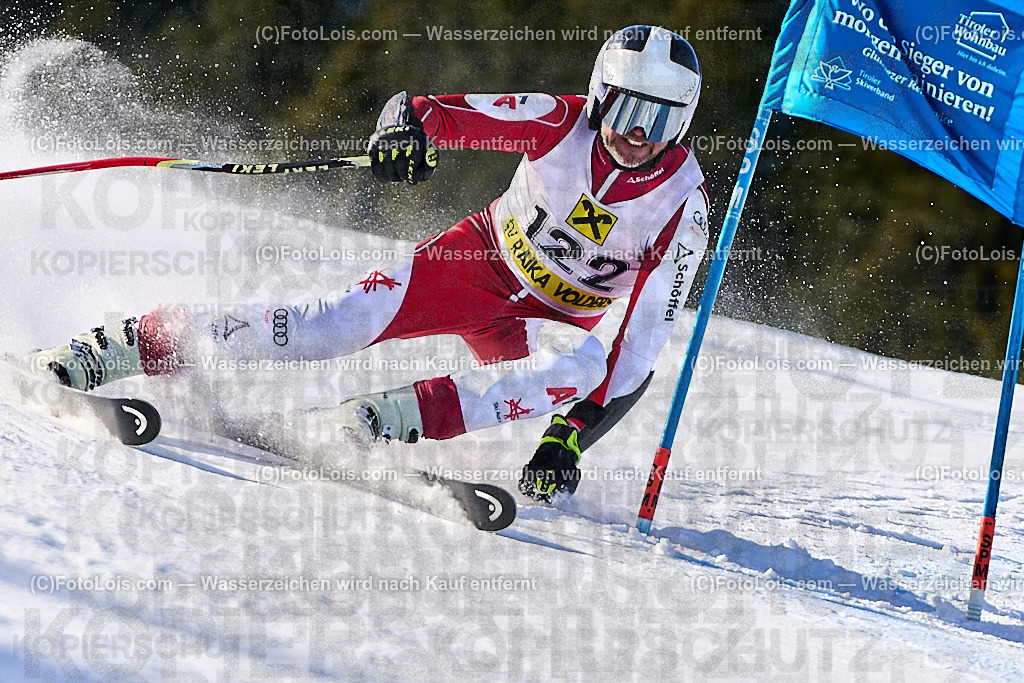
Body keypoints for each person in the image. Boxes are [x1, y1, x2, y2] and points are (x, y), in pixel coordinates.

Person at [27, 25, 709, 503]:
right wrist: (402, 135)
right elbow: (425, 111)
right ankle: (121, 344)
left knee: (581, 363)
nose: (638, 132)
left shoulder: (682, 209)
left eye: (661, 119)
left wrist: (570, 437)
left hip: (548, 322)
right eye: (627, 107)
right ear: (599, 95)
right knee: (333, 322)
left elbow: (638, 348)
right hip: (475, 263)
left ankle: (370, 421)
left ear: (683, 123)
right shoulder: (556, 121)